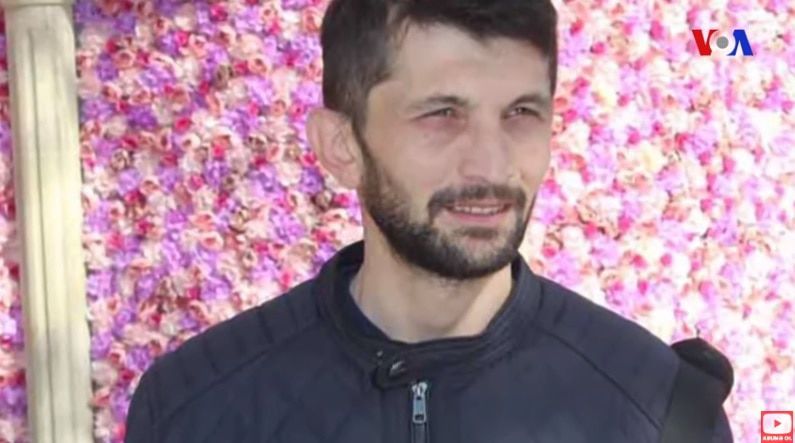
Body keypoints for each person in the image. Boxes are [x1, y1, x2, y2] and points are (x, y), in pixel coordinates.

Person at [125, 0, 734, 441]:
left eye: (521, 113)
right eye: (442, 114)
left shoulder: (662, 410)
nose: (491, 164)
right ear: (342, 146)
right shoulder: (195, 409)